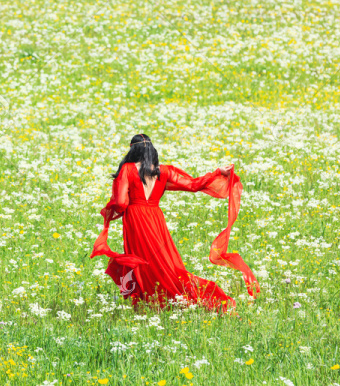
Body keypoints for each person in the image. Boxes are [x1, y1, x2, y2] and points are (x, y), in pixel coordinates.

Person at [89, 133, 260, 312]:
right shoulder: (164, 171)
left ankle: (151, 302)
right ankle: (171, 300)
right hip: (156, 219)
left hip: (136, 220)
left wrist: (110, 208)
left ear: (133, 150)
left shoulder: (128, 169)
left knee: (142, 262)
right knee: (163, 263)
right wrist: (218, 172)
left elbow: (121, 202)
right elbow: (193, 185)